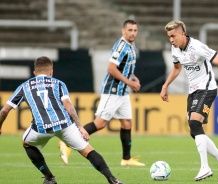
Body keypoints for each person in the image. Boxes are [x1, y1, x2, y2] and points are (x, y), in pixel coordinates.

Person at [0, 56, 124, 184]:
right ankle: (112, 179)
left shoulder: (24, 86)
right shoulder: (59, 84)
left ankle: (49, 178)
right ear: (51, 72)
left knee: (26, 143)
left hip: (42, 128)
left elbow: (4, 111)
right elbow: (69, 106)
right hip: (65, 125)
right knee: (88, 151)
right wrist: (81, 127)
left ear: (35, 73)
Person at [59, 19, 145, 167]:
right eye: (130, 30)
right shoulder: (121, 46)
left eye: (135, 30)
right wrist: (130, 82)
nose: (132, 33)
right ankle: (67, 142)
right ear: (123, 31)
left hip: (123, 92)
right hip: (112, 91)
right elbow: (111, 68)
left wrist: (132, 77)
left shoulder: (131, 45)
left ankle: (126, 159)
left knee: (126, 122)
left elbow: (125, 67)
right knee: (100, 123)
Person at [160, 20, 218, 182]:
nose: (171, 40)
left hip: (207, 88)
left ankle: (205, 167)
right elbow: (177, 68)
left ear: (182, 34)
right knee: (194, 132)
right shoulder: (175, 49)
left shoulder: (198, 47)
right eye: (168, 37)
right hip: (193, 91)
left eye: (173, 36)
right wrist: (165, 86)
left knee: (195, 124)